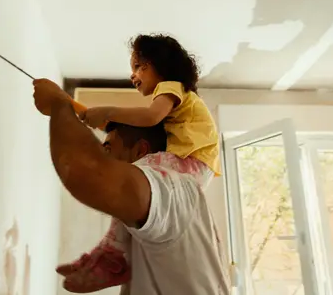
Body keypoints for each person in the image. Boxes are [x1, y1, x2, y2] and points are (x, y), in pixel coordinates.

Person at [32, 78, 229, 295]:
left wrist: (60, 105)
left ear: (140, 151)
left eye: (108, 148)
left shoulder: (172, 189)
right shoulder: (159, 201)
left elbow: (87, 175)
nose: (103, 156)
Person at [58, 34, 221, 292]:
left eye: (138, 66)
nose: (132, 75)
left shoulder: (171, 88)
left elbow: (149, 116)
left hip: (193, 162)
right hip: (196, 166)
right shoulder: (176, 102)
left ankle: (111, 256)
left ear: (160, 65)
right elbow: (125, 128)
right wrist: (75, 109)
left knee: (137, 173)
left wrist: (107, 110)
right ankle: (111, 253)